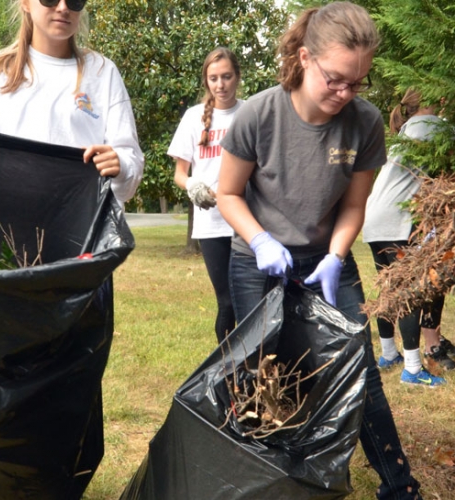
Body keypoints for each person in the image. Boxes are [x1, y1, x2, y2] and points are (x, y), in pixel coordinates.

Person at [217, 3, 422, 499]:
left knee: (359, 371)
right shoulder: (259, 114)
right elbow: (227, 194)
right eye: (335, 79)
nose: (345, 93)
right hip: (257, 263)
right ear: (305, 58)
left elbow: (355, 205)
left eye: (357, 83)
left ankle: (399, 488)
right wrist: (261, 239)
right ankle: (268, 483)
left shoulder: (366, 123)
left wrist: (335, 254)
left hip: (326, 261)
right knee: (261, 375)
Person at [0, 0, 143, 203]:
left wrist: (120, 166)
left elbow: (129, 168)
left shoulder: (102, 72)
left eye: (75, 1)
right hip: (7, 229)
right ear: (25, 3)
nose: (63, 7)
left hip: (83, 233)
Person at [365, 89, 455, 382]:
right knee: (411, 291)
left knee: (389, 289)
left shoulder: (409, 128)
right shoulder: (432, 124)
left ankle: (389, 353)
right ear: (428, 101)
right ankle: (413, 370)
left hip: (375, 216)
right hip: (399, 217)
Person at [168, 47, 243, 343]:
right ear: (206, 81)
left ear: (237, 77)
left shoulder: (250, 112)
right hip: (211, 224)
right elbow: (179, 174)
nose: (220, 84)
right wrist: (193, 186)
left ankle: (254, 370)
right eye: (213, 78)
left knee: (250, 301)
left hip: (245, 220)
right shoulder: (193, 118)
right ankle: (227, 371)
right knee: (226, 302)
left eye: (226, 76)